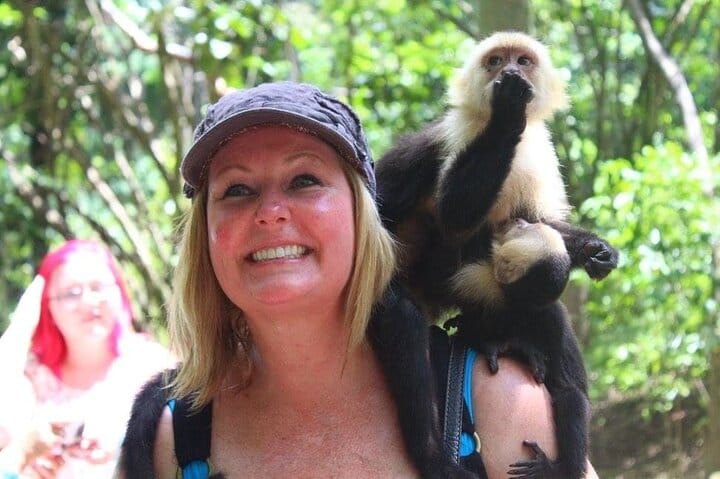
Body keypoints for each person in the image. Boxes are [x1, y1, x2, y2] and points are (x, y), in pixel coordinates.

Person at [118, 81, 599, 478]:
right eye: (237, 189)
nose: (270, 212)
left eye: (304, 180)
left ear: (363, 217)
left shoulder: (499, 403)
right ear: (204, 236)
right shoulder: (171, 440)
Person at [0, 239, 172, 478]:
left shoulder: (153, 366)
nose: (89, 302)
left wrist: (124, 457)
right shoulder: (28, 376)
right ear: (46, 306)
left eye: (99, 287)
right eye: (71, 293)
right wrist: (24, 455)